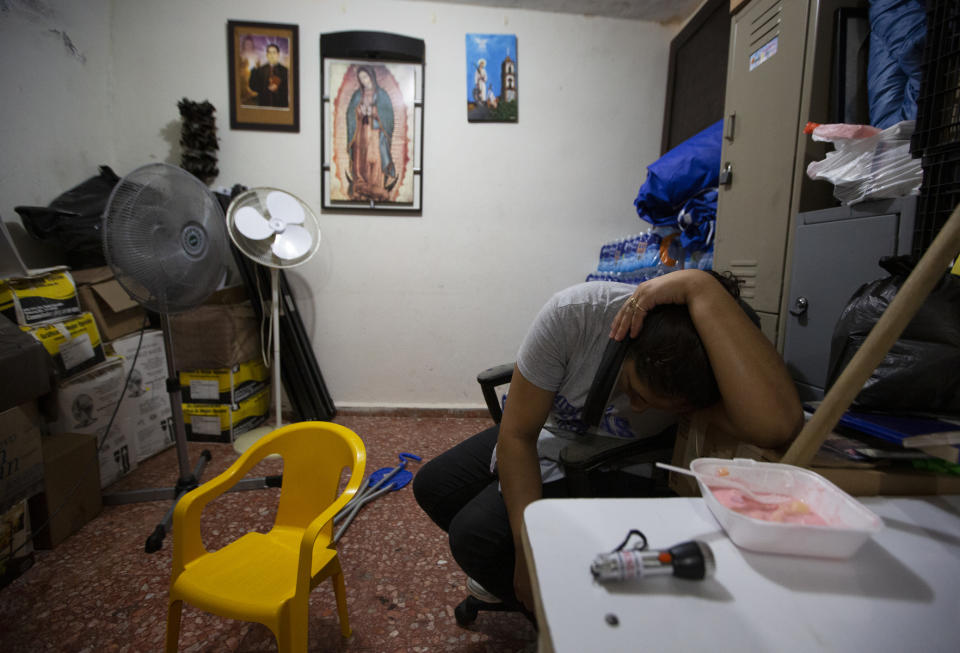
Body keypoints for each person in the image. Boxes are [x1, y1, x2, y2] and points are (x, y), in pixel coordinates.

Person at [413, 269, 803, 612]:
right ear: (628, 343)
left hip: (615, 457)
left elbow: (778, 426)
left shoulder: (699, 367)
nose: (633, 404)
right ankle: (537, 583)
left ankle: (573, 618)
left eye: (652, 405)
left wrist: (699, 286)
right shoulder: (575, 316)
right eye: (632, 387)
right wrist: (525, 553)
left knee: (473, 538)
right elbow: (517, 435)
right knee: (435, 486)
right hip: (554, 432)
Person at [345, 65, 398, 201]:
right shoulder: (358, 95)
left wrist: (375, 113)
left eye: (365, 77)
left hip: (375, 133)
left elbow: (389, 117)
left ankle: (375, 186)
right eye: (361, 78)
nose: (364, 80)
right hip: (361, 133)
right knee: (360, 160)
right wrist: (358, 112)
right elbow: (350, 114)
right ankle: (362, 185)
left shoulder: (382, 95)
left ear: (371, 76)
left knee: (375, 159)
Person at [248, 43, 288, 107]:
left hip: (280, 106)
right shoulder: (260, 70)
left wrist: (278, 88)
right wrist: (253, 71)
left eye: (274, 53)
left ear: (278, 55)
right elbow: (253, 87)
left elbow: (289, 90)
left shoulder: (285, 71)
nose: (271, 55)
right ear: (267, 55)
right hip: (263, 105)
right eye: (269, 53)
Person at [237, 36, 261, 106]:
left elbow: (258, 68)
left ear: (252, 45)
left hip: (254, 78)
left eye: (250, 44)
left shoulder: (256, 55)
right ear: (244, 45)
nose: (248, 46)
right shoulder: (241, 55)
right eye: (246, 44)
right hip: (243, 77)